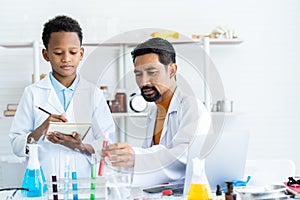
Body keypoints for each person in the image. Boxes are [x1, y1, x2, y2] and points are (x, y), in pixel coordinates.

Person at [9, 15, 115, 179]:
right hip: (44, 182)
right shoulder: (33, 93)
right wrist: (42, 129)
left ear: (81, 53)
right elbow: (17, 146)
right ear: (46, 54)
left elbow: (107, 144)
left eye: (72, 52)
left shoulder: (94, 94)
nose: (66, 59)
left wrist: (79, 146)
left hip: (83, 182)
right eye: (58, 52)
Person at [102, 37, 211, 187]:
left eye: (152, 72)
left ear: (172, 70)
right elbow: (151, 162)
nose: (144, 82)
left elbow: (185, 156)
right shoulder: (154, 112)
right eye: (138, 74)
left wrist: (136, 157)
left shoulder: (192, 107)